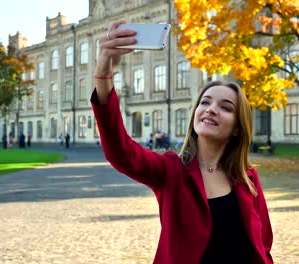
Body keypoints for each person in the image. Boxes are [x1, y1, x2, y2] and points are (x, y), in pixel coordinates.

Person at [91, 21, 274, 264]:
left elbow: (264, 245)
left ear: (238, 128)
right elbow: (120, 152)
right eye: (205, 102)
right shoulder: (171, 171)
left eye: (225, 107)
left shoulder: (248, 178)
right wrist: (104, 75)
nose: (211, 110)